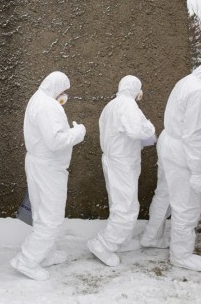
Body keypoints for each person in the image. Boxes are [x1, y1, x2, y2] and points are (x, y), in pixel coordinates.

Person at [140, 56, 201, 271]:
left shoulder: (186, 81)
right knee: (186, 205)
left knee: (164, 194)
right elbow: (195, 136)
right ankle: (181, 255)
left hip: (169, 143)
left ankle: (151, 235)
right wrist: (197, 170)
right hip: (184, 151)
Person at [11, 71, 87, 281]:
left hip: (40, 164)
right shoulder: (48, 105)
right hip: (48, 168)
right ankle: (26, 260)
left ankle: (45, 253)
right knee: (51, 217)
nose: (64, 95)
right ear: (56, 87)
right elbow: (55, 142)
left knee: (41, 213)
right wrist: (78, 132)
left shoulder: (38, 99)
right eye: (64, 90)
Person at [87, 75, 156, 267]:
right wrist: (149, 128)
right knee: (126, 206)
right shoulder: (128, 105)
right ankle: (104, 244)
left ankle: (121, 240)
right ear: (136, 89)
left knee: (118, 202)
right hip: (122, 161)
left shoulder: (112, 105)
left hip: (115, 159)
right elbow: (137, 131)